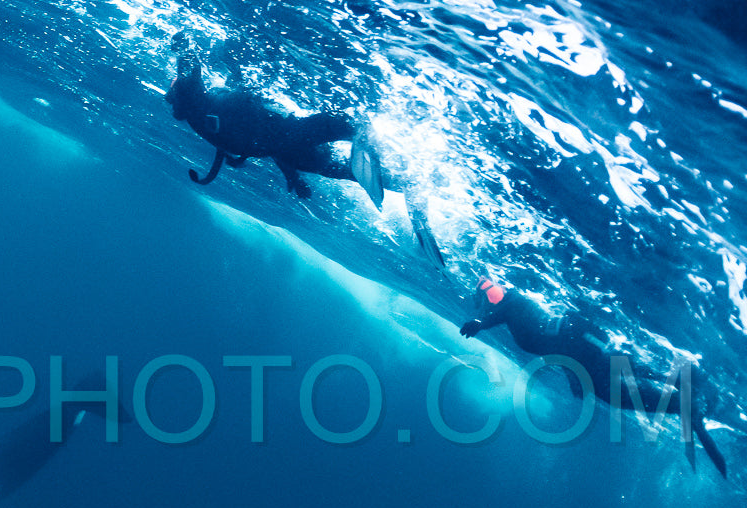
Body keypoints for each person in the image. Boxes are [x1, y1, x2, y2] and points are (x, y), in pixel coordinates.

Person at [164, 32, 444, 270]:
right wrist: (183, 44)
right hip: (286, 141)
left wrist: (293, 178)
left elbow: (255, 139)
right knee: (347, 127)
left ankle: (406, 182)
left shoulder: (202, 114)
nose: (169, 95)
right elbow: (191, 67)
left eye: (172, 91)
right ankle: (404, 178)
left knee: (349, 156)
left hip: (288, 148)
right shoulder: (199, 110)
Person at [461, 278, 727, 477]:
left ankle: (682, 398)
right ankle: (680, 396)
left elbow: (516, 312)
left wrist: (481, 323)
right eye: (490, 297)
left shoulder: (514, 303)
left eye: (494, 294)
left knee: (613, 384)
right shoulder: (512, 311)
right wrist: (571, 375)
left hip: (579, 342)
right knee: (615, 380)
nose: (494, 299)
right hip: (576, 347)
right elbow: (549, 343)